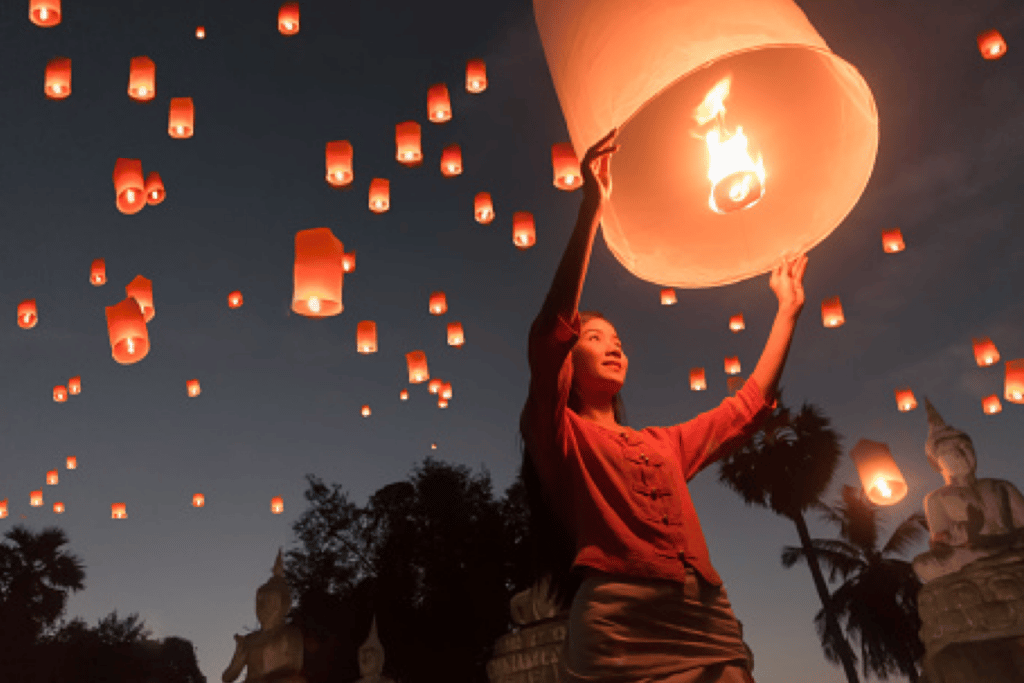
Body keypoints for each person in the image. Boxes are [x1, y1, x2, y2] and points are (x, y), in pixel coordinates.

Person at [519, 128, 807, 683]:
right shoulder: (558, 434)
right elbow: (549, 333)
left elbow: (748, 407)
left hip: (705, 615)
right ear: (570, 360)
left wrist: (787, 311)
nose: (613, 346)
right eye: (594, 337)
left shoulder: (664, 445)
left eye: (618, 340)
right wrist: (591, 208)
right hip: (620, 623)